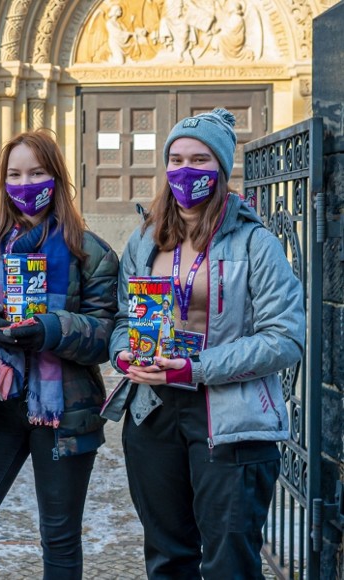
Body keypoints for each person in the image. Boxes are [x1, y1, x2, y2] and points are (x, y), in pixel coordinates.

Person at [104, 108, 305, 578]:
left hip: (230, 418)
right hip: (153, 411)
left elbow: (285, 338)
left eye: (199, 159)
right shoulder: (145, 240)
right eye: (175, 159)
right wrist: (123, 351)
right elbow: (121, 318)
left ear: (220, 168)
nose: (185, 170)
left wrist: (194, 368)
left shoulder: (256, 243)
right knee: (168, 557)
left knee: (228, 564)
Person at [0, 130, 119, 579]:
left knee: (58, 543)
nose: (25, 183)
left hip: (64, 411)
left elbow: (108, 335)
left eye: (37, 172)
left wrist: (51, 329)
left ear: (55, 177)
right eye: (15, 174)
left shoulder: (89, 252)